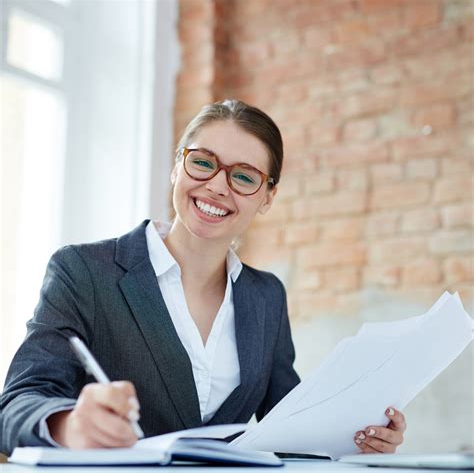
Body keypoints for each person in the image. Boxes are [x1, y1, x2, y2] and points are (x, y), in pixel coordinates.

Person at [0, 99, 406, 455]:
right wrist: (69, 425)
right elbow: (18, 402)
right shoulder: (84, 271)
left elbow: (289, 423)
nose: (216, 185)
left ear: (267, 197)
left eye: (244, 177)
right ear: (177, 167)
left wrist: (356, 435)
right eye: (202, 162)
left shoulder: (266, 296)